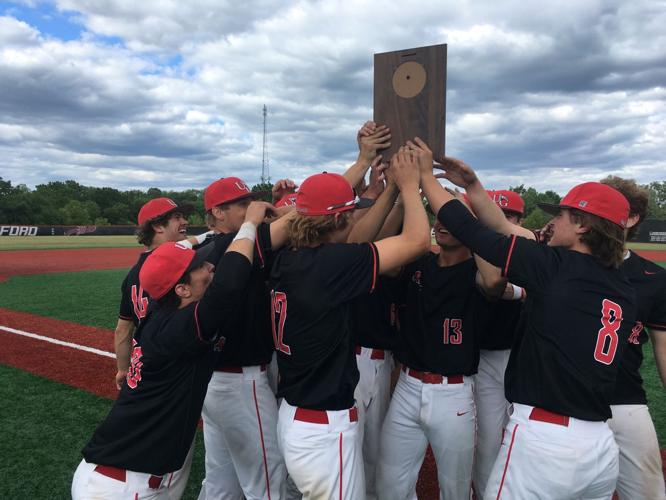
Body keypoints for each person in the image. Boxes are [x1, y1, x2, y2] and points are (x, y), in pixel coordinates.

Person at [419, 150, 637, 499]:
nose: (554, 222)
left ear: (583, 225)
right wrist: (473, 186)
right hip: (599, 446)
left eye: (563, 215)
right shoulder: (622, 286)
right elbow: (506, 228)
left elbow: (473, 232)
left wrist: (425, 178)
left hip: (545, 442)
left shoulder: (553, 268)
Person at [72, 201, 274, 500]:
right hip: (125, 487)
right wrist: (250, 223)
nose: (209, 266)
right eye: (199, 267)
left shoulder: (163, 313)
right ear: (181, 290)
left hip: (127, 478)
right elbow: (229, 284)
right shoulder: (179, 327)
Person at [270, 148, 431, 500]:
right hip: (322, 428)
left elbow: (355, 243)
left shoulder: (286, 257)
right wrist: (407, 188)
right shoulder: (332, 266)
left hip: (293, 415)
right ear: (340, 220)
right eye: (350, 214)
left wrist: (387, 190)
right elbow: (417, 240)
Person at [375, 144, 505, 500]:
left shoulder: (478, 272)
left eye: (453, 219)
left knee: (455, 489)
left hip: (455, 392)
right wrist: (405, 195)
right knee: (389, 486)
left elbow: (494, 282)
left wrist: (473, 225)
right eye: (439, 215)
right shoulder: (419, 262)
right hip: (407, 386)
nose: (442, 223)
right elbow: (381, 249)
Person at [198, 176, 293, 500]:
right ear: (217, 212)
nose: (250, 207)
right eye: (241, 204)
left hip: (213, 379)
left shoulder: (204, 246)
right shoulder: (235, 244)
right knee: (268, 481)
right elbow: (305, 216)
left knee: (221, 483)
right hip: (240, 382)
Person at [599, 176, 666, 500]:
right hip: (566, 401)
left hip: (626, 399)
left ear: (631, 218)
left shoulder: (654, 278)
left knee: (648, 493)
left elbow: (663, 350)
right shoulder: (566, 262)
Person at [473, 190, 527, 497]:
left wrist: (520, 292)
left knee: (525, 437)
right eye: (497, 214)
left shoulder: (531, 256)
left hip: (522, 360)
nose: (502, 221)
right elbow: (491, 284)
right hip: (484, 358)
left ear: (518, 220)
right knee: (489, 440)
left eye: (509, 216)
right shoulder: (476, 251)